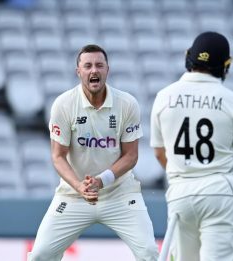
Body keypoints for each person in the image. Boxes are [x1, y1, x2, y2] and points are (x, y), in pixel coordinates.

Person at [28, 44, 159, 261]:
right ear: (78, 71)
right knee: (40, 255)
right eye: (87, 66)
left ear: (108, 69)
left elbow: (131, 155)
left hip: (119, 193)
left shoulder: (127, 104)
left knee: (149, 253)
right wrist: (79, 186)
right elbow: (58, 156)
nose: (94, 70)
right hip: (74, 194)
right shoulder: (63, 104)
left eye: (99, 65)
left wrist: (101, 180)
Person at [150, 32, 233, 261]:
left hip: (180, 192)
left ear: (188, 57)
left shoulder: (163, 97)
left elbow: (160, 153)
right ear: (225, 65)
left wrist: (185, 172)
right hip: (220, 192)